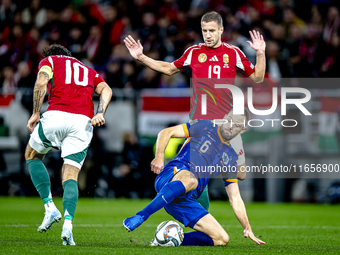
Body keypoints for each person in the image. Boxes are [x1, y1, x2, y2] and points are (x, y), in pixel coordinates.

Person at [124, 11, 266, 210]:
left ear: (221, 30)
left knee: (239, 175)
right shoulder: (194, 52)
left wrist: (260, 53)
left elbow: (258, 77)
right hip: (200, 124)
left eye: (212, 31)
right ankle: (195, 219)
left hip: (227, 127)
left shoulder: (233, 53)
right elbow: (168, 68)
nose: (207, 35)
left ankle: (204, 220)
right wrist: (141, 57)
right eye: (204, 31)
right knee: (198, 177)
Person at [123, 111, 265, 246]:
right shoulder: (205, 126)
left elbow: (235, 197)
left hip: (185, 199)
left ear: (242, 130)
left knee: (221, 238)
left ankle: (167, 241)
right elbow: (166, 132)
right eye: (230, 120)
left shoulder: (230, 157)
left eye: (237, 125)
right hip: (172, 176)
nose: (231, 125)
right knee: (191, 179)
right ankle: (141, 216)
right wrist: (159, 157)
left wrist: (247, 226)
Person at [24, 44, 112, 245]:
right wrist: (100, 113)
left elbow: (40, 83)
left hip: (57, 115)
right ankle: (68, 225)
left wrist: (36, 112)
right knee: (71, 174)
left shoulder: (50, 61)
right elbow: (106, 89)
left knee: (32, 155)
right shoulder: (88, 70)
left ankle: (49, 207)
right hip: (83, 122)